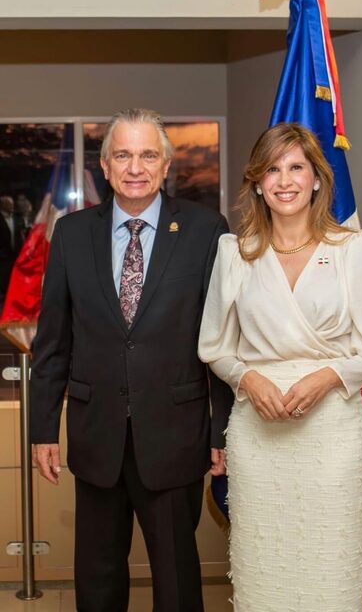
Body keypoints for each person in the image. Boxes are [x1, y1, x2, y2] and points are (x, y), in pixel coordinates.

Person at [198, 122, 362, 612]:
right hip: (257, 435)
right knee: (266, 568)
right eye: (272, 169)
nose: (285, 180)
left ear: (317, 179)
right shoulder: (235, 254)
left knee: (329, 565)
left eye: (296, 167)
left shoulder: (355, 248)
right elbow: (214, 346)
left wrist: (328, 377)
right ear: (257, 183)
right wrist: (247, 378)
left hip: (333, 432)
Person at [30, 108, 232, 612]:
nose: (135, 167)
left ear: (166, 165)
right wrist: (42, 429)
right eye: (122, 155)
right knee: (97, 580)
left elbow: (223, 339)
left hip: (175, 436)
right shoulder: (71, 234)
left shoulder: (207, 230)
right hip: (96, 435)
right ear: (104, 165)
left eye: (147, 155)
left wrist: (221, 431)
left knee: (177, 581)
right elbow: (53, 342)